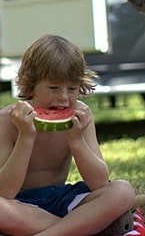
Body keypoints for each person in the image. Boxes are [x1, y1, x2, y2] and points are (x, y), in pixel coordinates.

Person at [0, 35, 137, 235]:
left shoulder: (81, 116)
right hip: (20, 204)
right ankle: (84, 226)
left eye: (72, 89)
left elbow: (99, 183)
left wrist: (77, 141)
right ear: (30, 86)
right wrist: (26, 137)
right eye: (54, 88)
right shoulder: (6, 120)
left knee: (122, 191)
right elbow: (5, 193)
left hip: (63, 199)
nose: (64, 97)